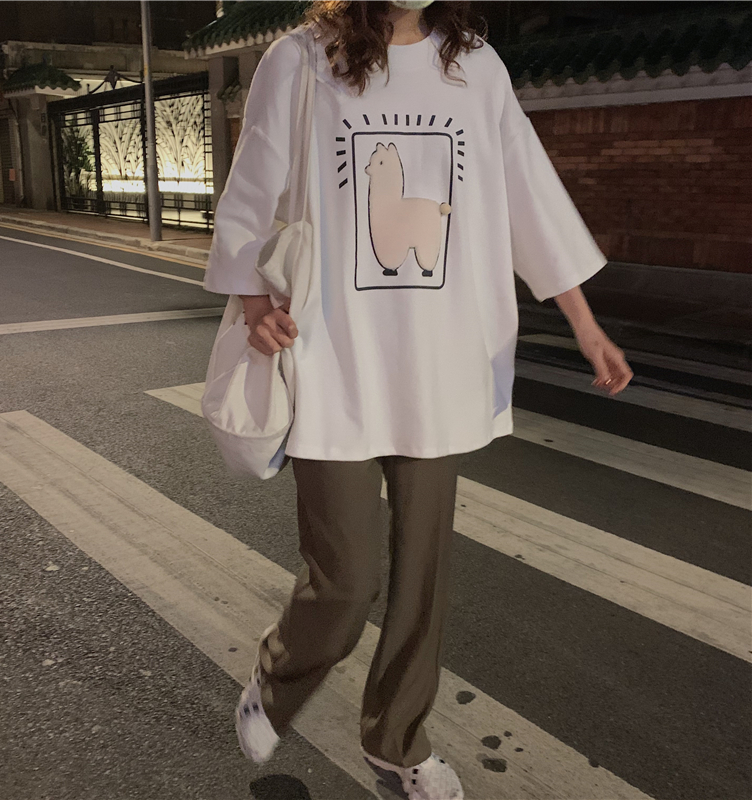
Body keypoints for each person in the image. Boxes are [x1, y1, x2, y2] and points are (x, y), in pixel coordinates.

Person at [204, 1, 634, 798]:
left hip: (440, 363)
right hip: (332, 359)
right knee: (345, 581)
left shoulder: (475, 67)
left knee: (422, 578)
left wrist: (585, 324)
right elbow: (252, 188)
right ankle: (279, 676)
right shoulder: (300, 61)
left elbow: (529, 197)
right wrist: (255, 304)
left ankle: (396, 740)